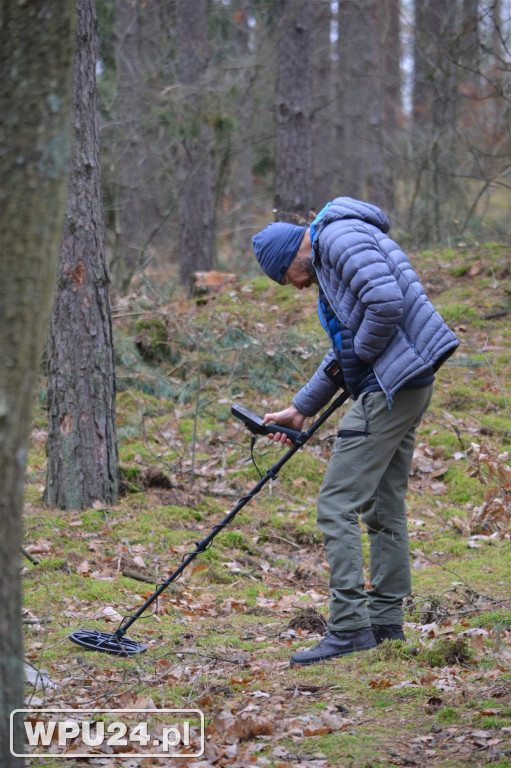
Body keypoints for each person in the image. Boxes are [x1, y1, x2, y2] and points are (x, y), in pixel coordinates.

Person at [252, 197, 459, 667]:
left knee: (335, 504)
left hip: (391, 385)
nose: (296, 286)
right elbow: (348, 341)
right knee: (383, 505)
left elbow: (385, 304)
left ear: (292, 258)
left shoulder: (338, 239)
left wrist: (363, 359)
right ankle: (385, 624)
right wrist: (301, 408)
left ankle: (348, 627)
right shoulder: (335, 249)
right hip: (406, 381)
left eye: (288, 278)